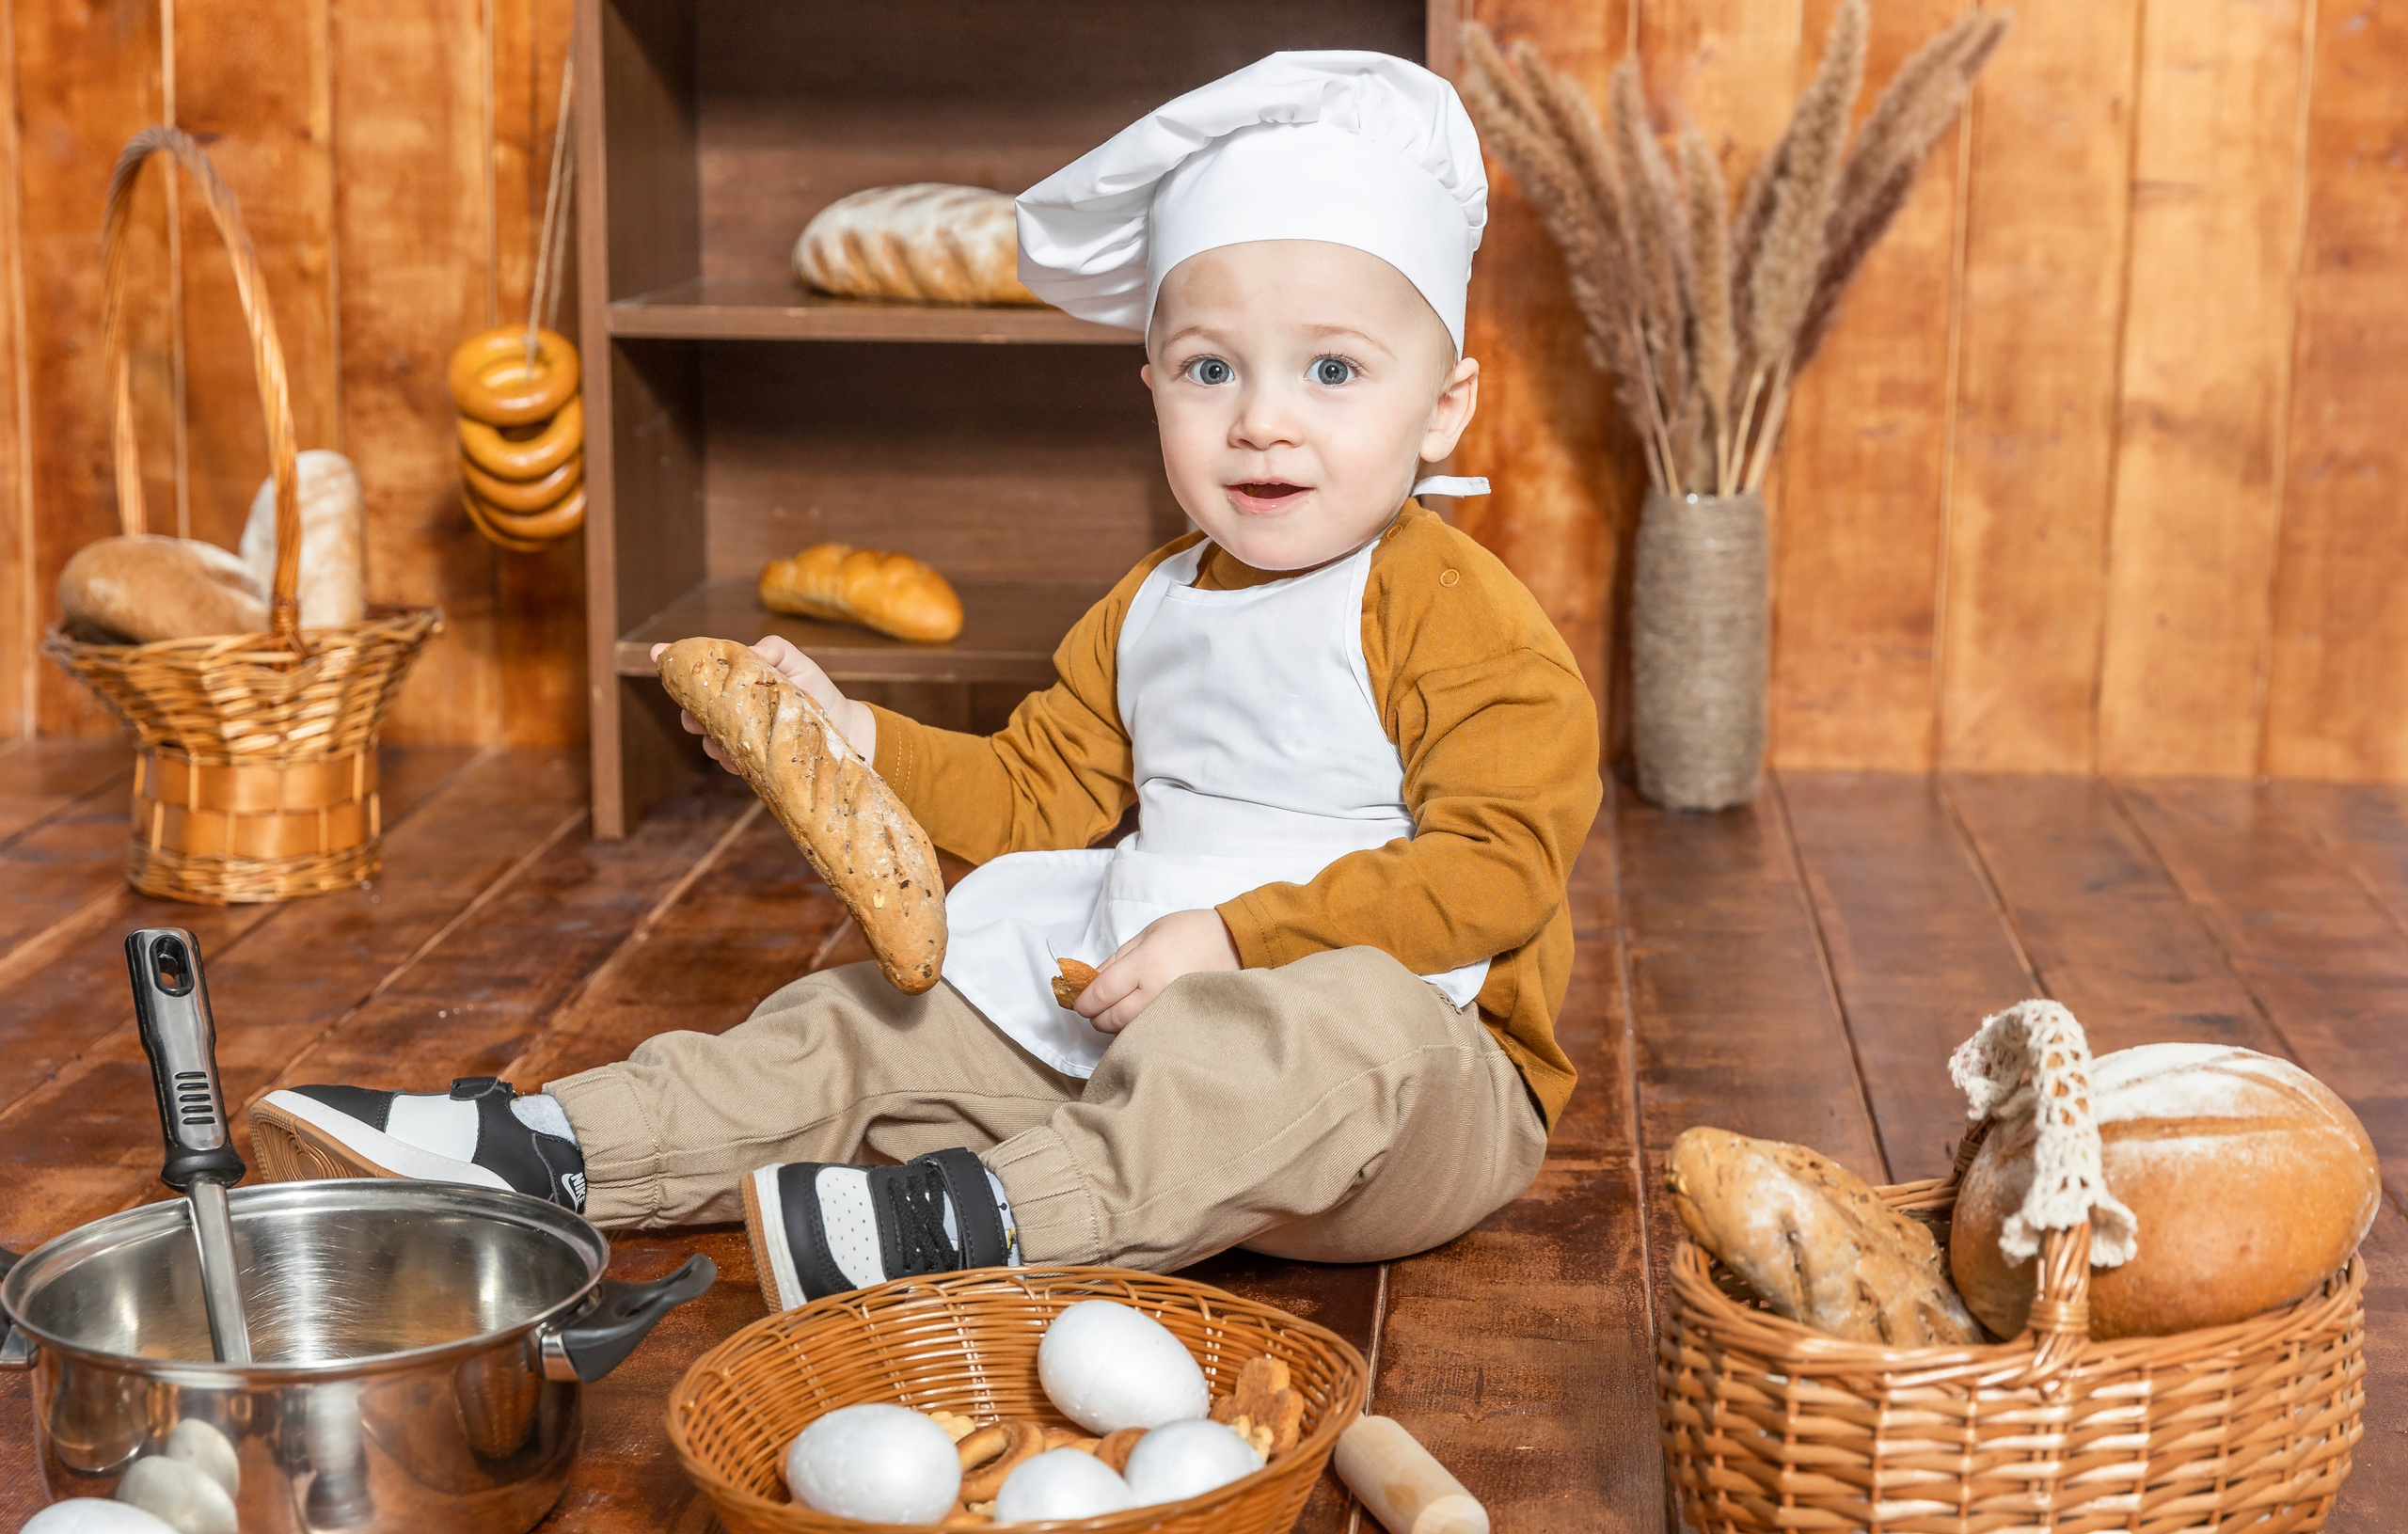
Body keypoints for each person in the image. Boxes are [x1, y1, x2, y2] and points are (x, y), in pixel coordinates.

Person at [249, 51, 1603, 1311]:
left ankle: (983, 1223)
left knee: (1333, 1030)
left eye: (1332, 370)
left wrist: (1239, 942)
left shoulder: (1457, 615)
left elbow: (1496, 870)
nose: (1261, 418)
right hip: (1139, 1060)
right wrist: (855, 740)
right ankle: (552, 1151)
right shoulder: (1152, 605)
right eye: (1209, 368)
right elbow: (1026, 795)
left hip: (1417, 1099)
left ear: (1443, 406)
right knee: (870, 1019)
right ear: (1150, 385)